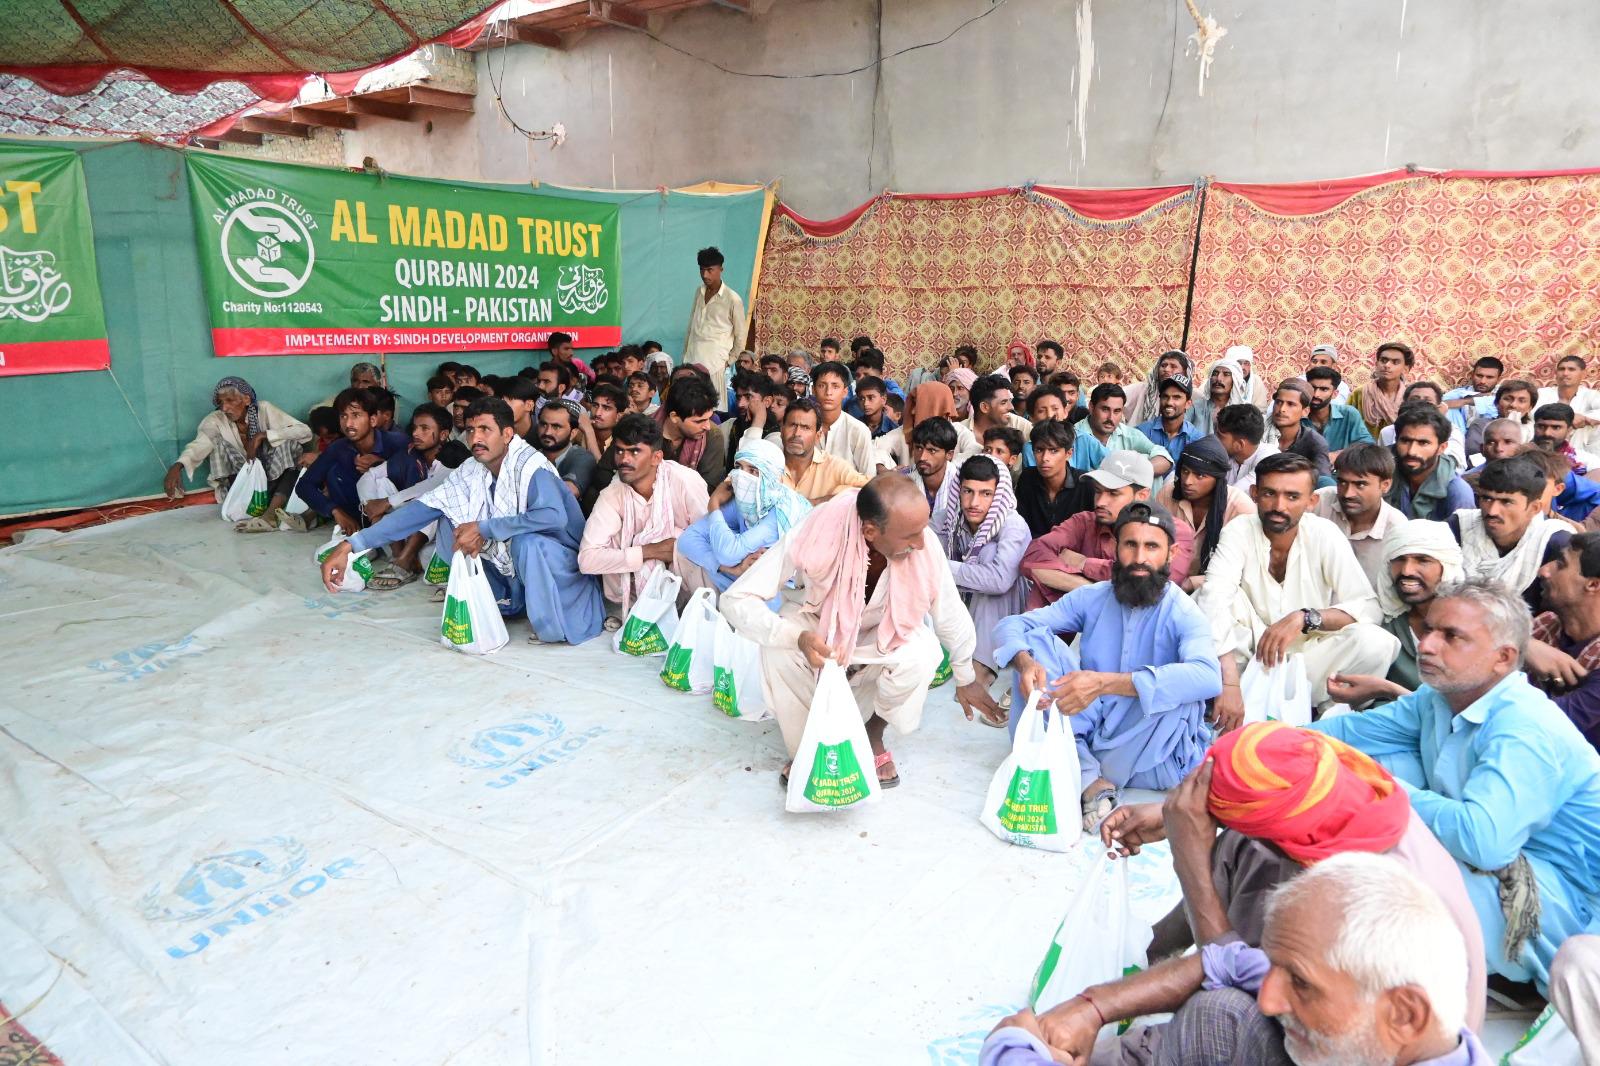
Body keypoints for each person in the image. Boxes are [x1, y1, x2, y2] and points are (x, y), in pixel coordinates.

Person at [1313, 578, 1600, 992]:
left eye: (1451, 636)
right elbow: (1348, 735)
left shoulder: (1525, 728)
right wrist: (1268, 742)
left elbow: (1484, 842)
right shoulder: (1439, 697)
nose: (1427, 645)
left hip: (1566, 905)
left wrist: (1377, 786)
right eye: (1429, 629)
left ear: (1503, 658)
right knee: (1369, 763)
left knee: (1385, 858)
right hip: (1504, 858)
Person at [994, 846, 1488, 1066]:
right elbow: (1225, 961)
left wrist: (1010, 1053)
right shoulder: (1383, 1013)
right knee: (1224, 1010)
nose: (1269, 997)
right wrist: (1093, 1007)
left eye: (1300, 982)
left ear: (1404, 1014)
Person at [720, 476, 990, 791]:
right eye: (910, 536)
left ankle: (871, 734)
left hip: (881, 631)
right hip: (817, 626)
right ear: (871, 531)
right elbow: (736, 599)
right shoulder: (817, 531)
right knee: (778, 649)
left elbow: (950, 611)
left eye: (922, 530)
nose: (921, 543)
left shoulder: (922, 541)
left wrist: (965, 676)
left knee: (923, 653)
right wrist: (795, 637)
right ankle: (807, 747)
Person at [996, 501, 1218, 819]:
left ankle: (1079, 771)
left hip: (1147, 749)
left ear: (1170, 554)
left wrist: (1102, 683)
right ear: (1115, 548)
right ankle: (1089, 777)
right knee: (1034, 643)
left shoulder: (1183, 611)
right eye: (1131, 545)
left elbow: (1208, 676)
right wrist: (1025, 663)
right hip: (1091, 728)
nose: (1140, 558)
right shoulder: (1094, 596)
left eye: (1152, 547)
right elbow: (1013, 625)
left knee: (1180, 689)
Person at [320, 397, 603, 645]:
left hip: (561, 563)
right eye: (470, 430)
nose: (476, 438)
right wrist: (352, 545)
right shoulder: (472, 468)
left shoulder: (531, 467)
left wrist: (484, 528)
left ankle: (552, 627)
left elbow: (553, 517)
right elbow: (422, 509)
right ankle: (506, 601)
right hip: (515, 565)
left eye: (485, 430)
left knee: (525, 542)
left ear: (507, 434)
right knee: (450, 520)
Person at [1196, 452, 1400, 719]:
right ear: (1255, 494)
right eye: (1269, 494)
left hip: (1309, 657)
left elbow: (1368, 607)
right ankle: (1239, 697)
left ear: (1311, 501)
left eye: (1292, 497)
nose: (1279, 506)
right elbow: (1214, 597)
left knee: (1378, 642)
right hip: (1249, 657)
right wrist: (1229, 682)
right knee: (1207, 598)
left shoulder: (1324, 534)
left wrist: (1304, 618)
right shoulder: (1239, 530)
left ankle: (1325, 713)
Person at [578, 413, 710, 626]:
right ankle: (640, 608)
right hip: (631, 593)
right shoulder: (613, 494)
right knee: (621, 540)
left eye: (634, 451)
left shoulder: (685, 481)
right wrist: (649, 551)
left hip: (687, 582)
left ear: (656, 457)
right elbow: (587, 560)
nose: (624, 459)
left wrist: (673, 547)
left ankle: (691, 612)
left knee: (681, 537)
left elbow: (709, 539)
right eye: (619, 450)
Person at [1021, 451, 1194, 608]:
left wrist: (1084, 564)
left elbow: (1157, 583)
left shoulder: (1173, 531)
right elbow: (1032, 558)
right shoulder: (1084, 522)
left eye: (1113, 493)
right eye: (1098, 491)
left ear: (1141, 496)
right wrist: (1088, 587)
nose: (1100, 502)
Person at [1325, 520, 1465, 706]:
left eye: (1422, 560)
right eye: (1399, 559)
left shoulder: (1470, 629)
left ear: (1446, 568)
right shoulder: (1382, 623)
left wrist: (1387, 689)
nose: (1407, 570)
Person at [932, 455, 1030, 718]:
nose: (974, 502)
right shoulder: (946, 518)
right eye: (968, 491)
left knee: (988, 556)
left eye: (986, 494)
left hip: (1004, 605)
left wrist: (946, 568)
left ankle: (983, 664)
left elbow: (999, 580)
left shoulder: (1012, 524)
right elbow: (921, 560)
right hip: (959, 600)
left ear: (998, 494)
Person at [165, 376, 311, 531]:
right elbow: (201, 443)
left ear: (246, 399)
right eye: (220, 402)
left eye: (230, 400)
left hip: (275, 476)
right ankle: (244, 503)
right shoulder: (215, 420)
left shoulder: (264, 409)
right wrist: (178, 466)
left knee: (287, 443)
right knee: (217, 444)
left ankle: (270, 515)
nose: (224, 408)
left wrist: (262, 435)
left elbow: (304, 431)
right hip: (244, 479)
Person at [677, 439, 811, 595]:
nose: (742, 477)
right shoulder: (745, 500)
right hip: (745, 580)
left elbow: (728, 554)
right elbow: (686, 539)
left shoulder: (781, 512)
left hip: (786, 592)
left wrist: (714, 505)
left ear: (772, 477)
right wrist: (732, 569)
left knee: (718, 552)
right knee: (696, 555)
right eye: (739, 467)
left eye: (753, 471)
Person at [1451, 455, 1571, 605]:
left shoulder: (1555, 543)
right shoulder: (1459, 526)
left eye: (1506, 502)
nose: (1492, 511)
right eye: (1487, 499)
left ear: (1535, 508)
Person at [359, 401, 453, 587]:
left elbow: (434, 485)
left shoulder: (453, 456)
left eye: (424, 428)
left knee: (434, 499)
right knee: (381, 483)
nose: (416, 433)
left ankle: (405, 560)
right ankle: (399, 556)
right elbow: (368, 477)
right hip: (405, 532)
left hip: (440, 531)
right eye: (415, 428)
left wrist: (387, 502)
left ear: (443, 435)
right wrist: (371, 507)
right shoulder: (410, 453)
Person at [293, 387, 409, 535]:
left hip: (395, 519)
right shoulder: (338, 448)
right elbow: (304, 485)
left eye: (356, 415)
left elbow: (418, 482)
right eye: (343, 416)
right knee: (333, 471)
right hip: (356, 525)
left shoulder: (398, 442)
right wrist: (335, 511)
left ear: (372, 420)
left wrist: (382, 465)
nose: (348, 424)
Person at [1528, 533, 1600, 753]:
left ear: (1593, 584)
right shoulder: (1548, 623)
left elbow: (1543, 725)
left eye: (1560, 565)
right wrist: (1524, 646)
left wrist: (1520, 646)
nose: (1543, 571)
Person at [1155, 434, 1255, 592]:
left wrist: (1192, 583)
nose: (1188, 481)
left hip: (1218, 590)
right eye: (1185, 471)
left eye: (1200, 475)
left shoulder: (1240, 507)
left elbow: (1245, 569)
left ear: (1217, 479)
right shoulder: (1168, 493)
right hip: (1166, 583)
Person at [1313, 442, 1409, 591]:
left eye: (1360, 485)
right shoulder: (1320, 501)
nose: (1348, 494)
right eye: (1342, 482)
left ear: (1385, 485)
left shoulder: (1397, 530)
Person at [774, 399, 870, 505]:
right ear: (781, 430)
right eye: (792, 425)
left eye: (805, 428)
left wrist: (821, 502)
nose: (797, 433)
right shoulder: (767, 463)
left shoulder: (834, 467)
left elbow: (871, 490)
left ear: (817, 436)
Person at [1386, 404, 1473, 520]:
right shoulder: (1382, 474)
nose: (1411, 451)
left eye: (1423, 443)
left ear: (1441, 448)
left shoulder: (1457, 492)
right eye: (1405, 441)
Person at [682, 247, 744, 407]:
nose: (705, 275)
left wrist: (728, 361)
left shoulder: (733, 299)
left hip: (715, 365)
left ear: (721, 269)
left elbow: (740, 337)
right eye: (701, 270)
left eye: (710, 270)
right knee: (688, 407)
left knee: (712, 409)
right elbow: (691, 326)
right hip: (691, 360)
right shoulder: (699, 292)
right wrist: (685, 355)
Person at [1072, 383, 1173, 476]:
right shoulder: (1074, 436)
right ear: (1091, 407)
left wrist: (1130, 472)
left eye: (1117, 411)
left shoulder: (1128, 434)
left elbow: (1164, 458)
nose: (1111, 418)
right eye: (1105, 409)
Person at [875, 381, 978, 472]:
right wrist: (884, 470)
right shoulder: (907, 430)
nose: (912, 411)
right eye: (912, 403)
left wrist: (946, 471)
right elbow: (874, 448)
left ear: (937, 405)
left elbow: (975, 451)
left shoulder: (959, 432)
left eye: (918, 403)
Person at [1015, 419, 1090, 537]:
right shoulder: (1027, 479)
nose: (1045, 458)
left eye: (1053, 450)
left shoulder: (1085, 483)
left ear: (1068, 454)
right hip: (1033, 546)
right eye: (1039, 450)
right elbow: (1020, 527)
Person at [653, 375, 726, 491]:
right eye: (699, 421)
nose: (707, 426)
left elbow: (708, 488)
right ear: (674, 417)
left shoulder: (713, 435)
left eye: (709, 418)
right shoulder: (642, 432)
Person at [1378, 382, 1471, 471]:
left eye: (1428, 401)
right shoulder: (1387, 432)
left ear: (1438, 407)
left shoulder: (1452, 432)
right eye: (1415, 399)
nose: (1420, 404)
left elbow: (1458, 467)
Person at [806, 361, 876, 475]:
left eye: (835, 386)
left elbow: (869, 478)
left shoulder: (858, 430)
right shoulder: (803, 426)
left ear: (845, 392)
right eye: (822, 385)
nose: (828, 392)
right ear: (813, 390)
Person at [1264, 377, 1332, 487]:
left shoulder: (1315, 442)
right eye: (1279, 402)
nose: (1282, 409)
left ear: (1305, 411)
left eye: (1291, 404)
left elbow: (1323, 482)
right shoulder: (1259, 431)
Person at [1302, 364, 1375, 460]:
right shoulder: (1296, 415)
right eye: (1312, 388)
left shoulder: (1348, 414)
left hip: (1342, 468)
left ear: (1334, 394)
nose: (1316, 394)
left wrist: (1338, 455)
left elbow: (1368, 445)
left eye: (1324, 389)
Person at [534, 399, 599, 501]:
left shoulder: (583, 458)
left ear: (573, 433)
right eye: (543, 424)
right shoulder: (530, 455)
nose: (547, 432)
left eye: (556, 427)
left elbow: (569, 491)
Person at [1350, 340, 1415, 438]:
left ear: (1405, 369)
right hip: (1363, 446)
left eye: (1395, 362)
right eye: (1384, 360)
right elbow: (1346, 424)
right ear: (1376, 364)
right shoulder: (1360, 393)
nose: (1387, 365)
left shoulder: (1410, 398)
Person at [1539, 354, 1600, 453]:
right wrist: (1568, 418)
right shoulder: (1541, 394)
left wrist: (1583, 418)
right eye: (1561, 369)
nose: (1565, 373)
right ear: (1556, 373)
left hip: (1579, 453)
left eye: (1571, 369)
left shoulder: (1591, 395)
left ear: (1583, 374)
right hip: (1541, 450)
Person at [1135, 373, 1200, 466]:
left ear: (1188, 404)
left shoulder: (1195, 439)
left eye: (1176, 397)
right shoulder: (1141, 432)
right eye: (1165, 396)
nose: (1169, 402)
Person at [1465, 378, 1537, 459]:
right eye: (1508, 399)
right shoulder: (1481, 425)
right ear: (1497, 403)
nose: (1513, 405)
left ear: (1530, 407)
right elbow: (1473, 458)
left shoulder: (1535, 431)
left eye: (1521, 401)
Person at [963, 375, 1033, 454]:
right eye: (1003, 402)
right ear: (984, 407)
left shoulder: (1020, 425)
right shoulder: (960, 433)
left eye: (1010, 401)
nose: (1011, 407)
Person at [1213, 403, 1276, 490]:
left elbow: (1234, 495)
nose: (1214, 438)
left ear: (1239, 444)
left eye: (1220, 436)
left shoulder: (1270, 457)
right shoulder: (1224, 455)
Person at [903, 416, 960, 509]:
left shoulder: (962, 485)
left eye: (932, 450)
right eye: (919, 448)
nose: (922, 457)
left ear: (949, 455)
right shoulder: (902, 481)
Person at [1123, 349, 1191, 427]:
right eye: (1163, 365)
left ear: (1185, 372)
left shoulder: (1193, 396)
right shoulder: (1141, 389)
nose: (1166, 369)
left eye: (1173, 366)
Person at [1442, 356, 1505, 436]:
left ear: (1498, 379)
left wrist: (1468, 401)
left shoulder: (1504, 394)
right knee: (1448, 410)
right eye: (1479, 376)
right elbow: (1439, 405)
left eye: (1489, 377)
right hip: (1460, 435)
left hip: (1492, 436)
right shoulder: (1461, 392)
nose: (1483, 381)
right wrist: (1469, 400)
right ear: (1472, 375)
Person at [1190, 355, 1251, 435]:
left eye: (1226, 374)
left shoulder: (1245, 412)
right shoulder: (1196, 407)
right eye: (1215, 373)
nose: (1218, 378)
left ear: (1235, 381)